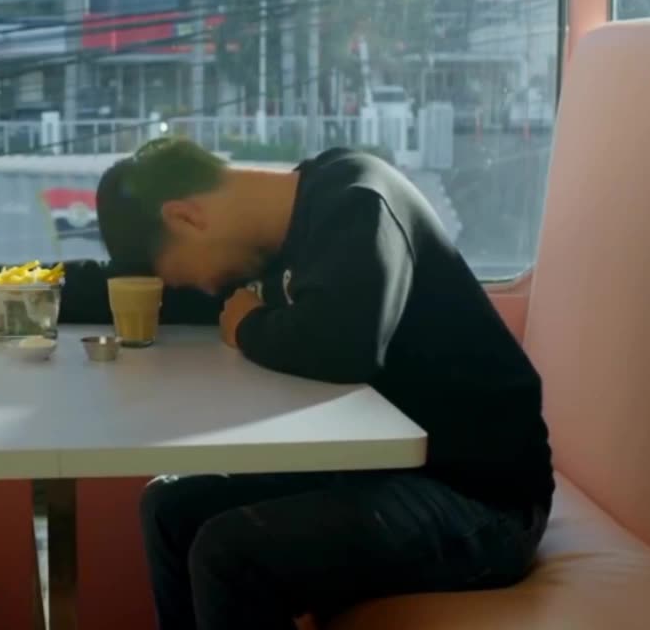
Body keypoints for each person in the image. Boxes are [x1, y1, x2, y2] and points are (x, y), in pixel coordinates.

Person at [58, 138, 553, 629]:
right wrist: (19, 289)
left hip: (481, 499)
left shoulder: (359, 201)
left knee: (231, 553)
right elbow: (154, 294)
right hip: (378, 474)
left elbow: (345, 346)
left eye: (188, 276)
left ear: (186, 217)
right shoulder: (269, 243)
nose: (206, 290)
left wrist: (251, 327)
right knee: (169, 508)